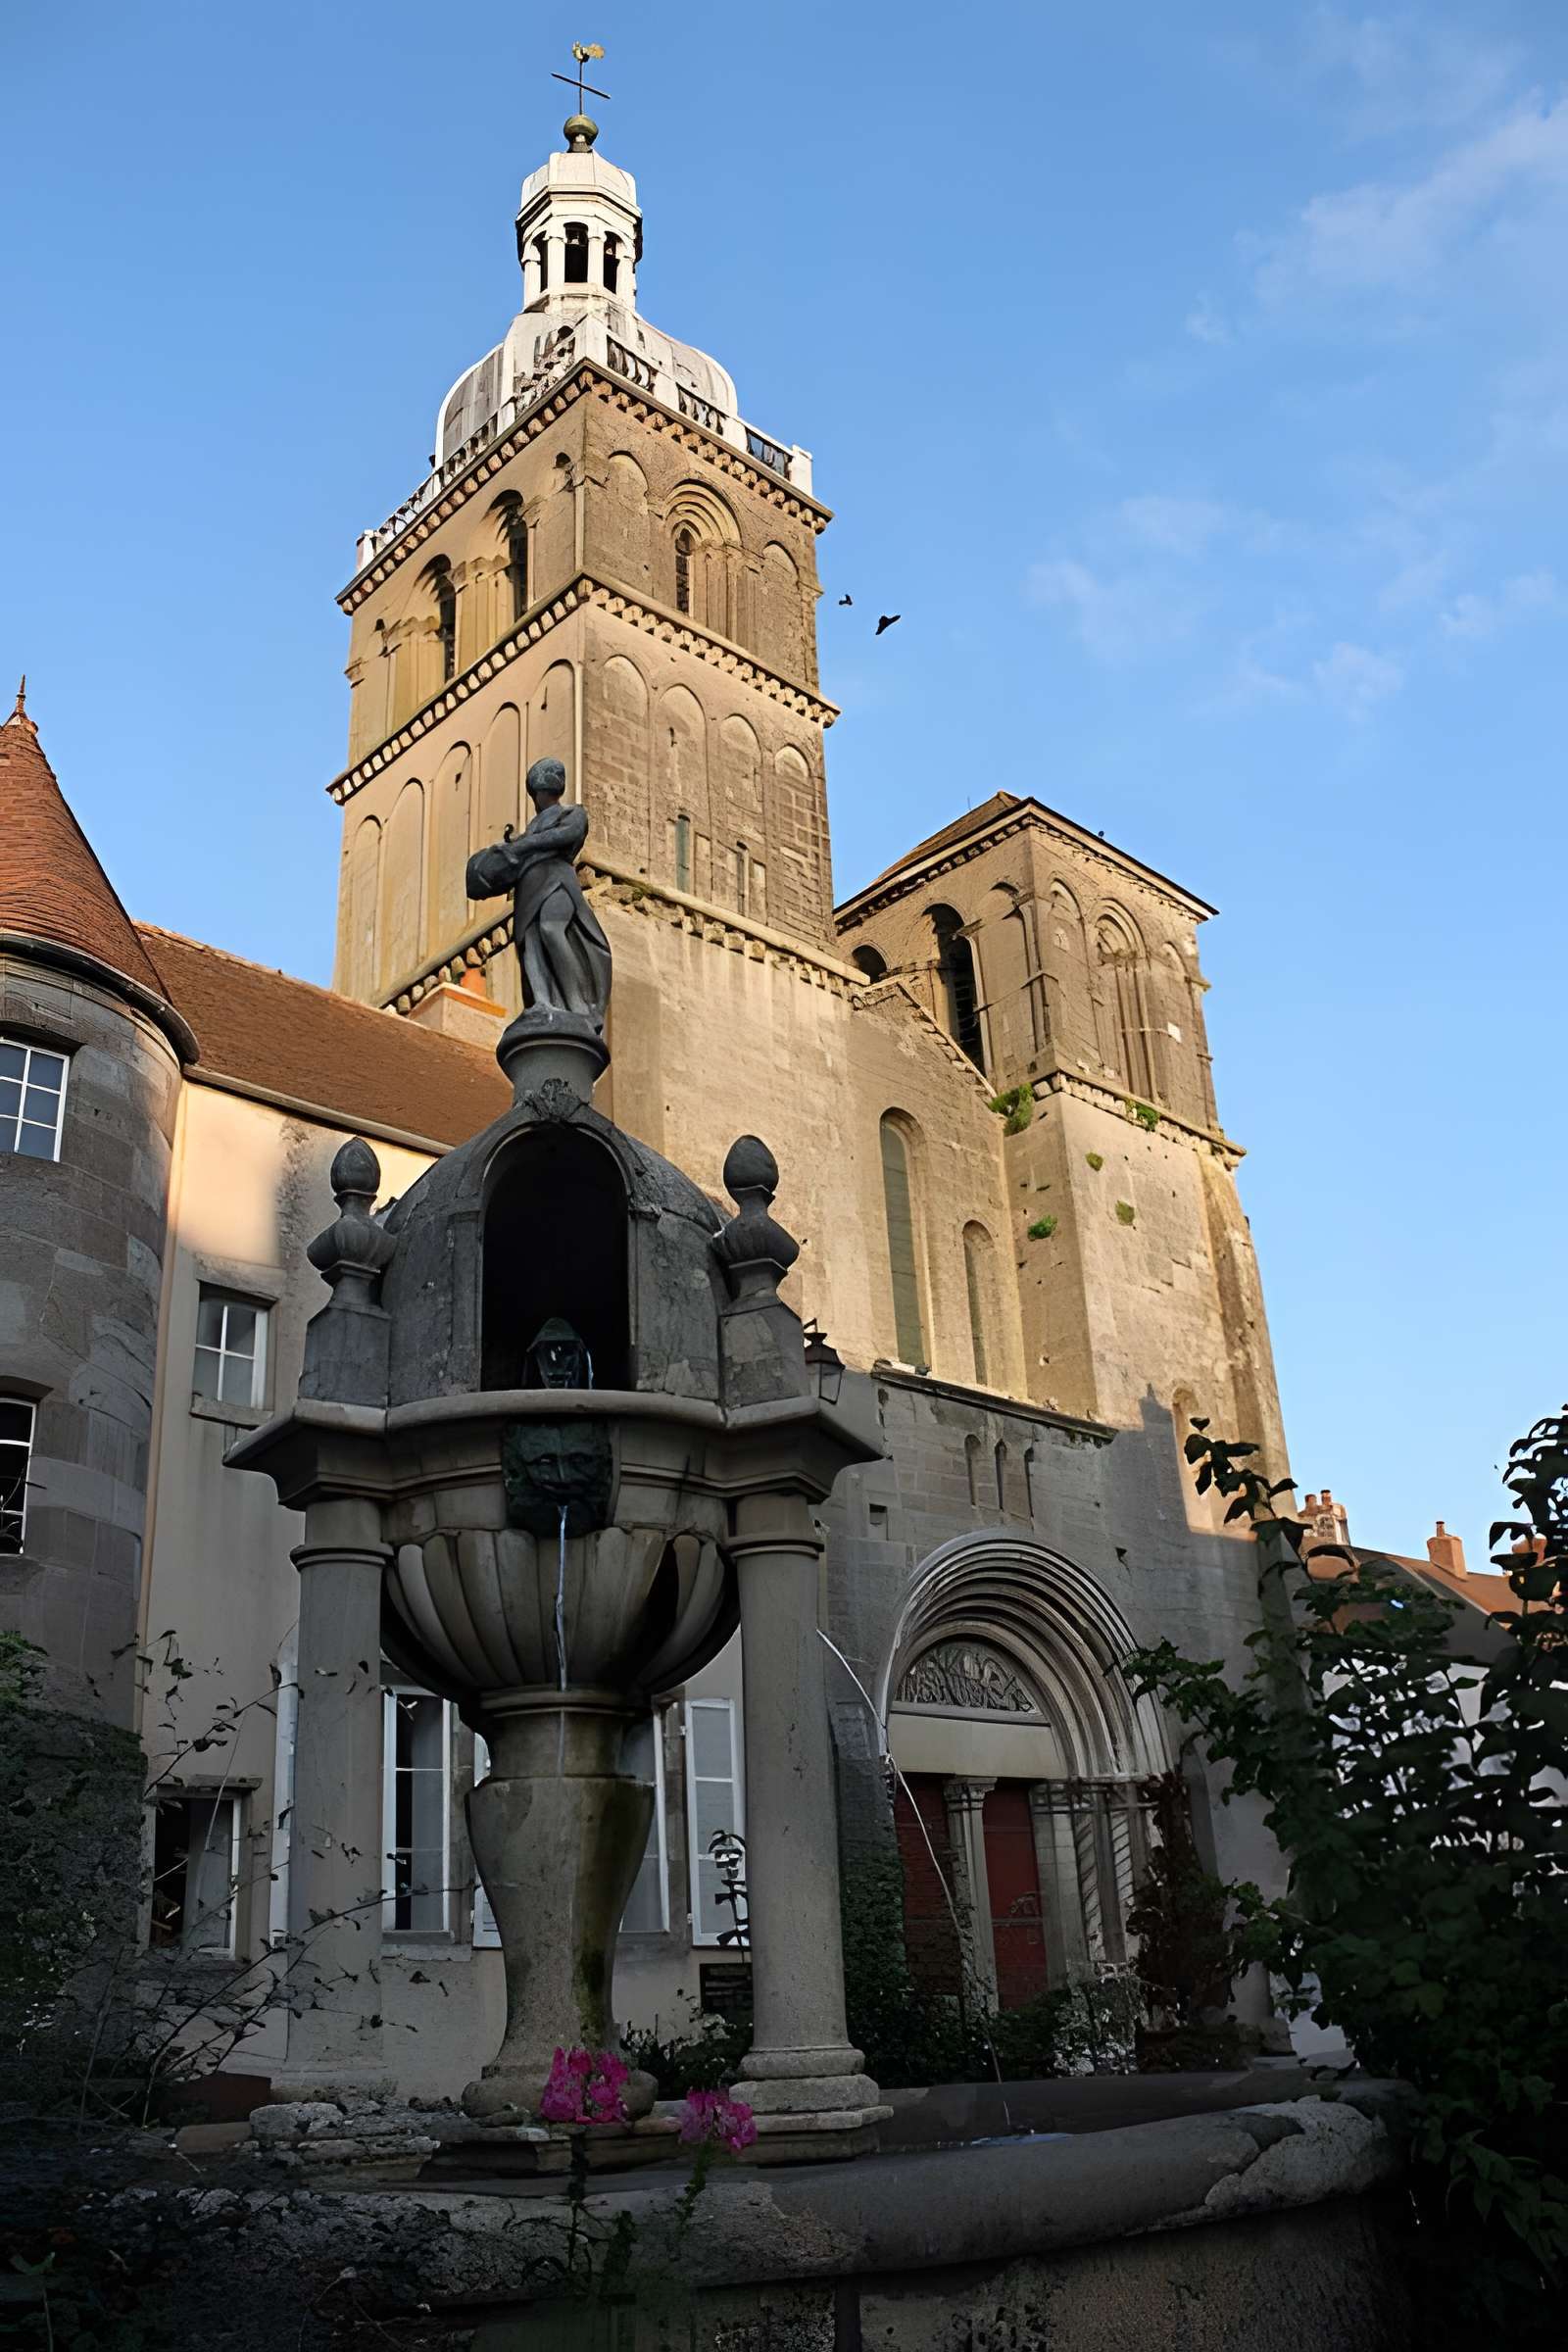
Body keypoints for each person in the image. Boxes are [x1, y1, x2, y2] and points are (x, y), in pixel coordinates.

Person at [466, 757, 612, 1028]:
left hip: (556, 877)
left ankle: (577, 1005)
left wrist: (521, 847)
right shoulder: (529, 829)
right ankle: (542, 1002)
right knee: (529, 942)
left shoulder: (572, 813)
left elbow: (566, 835)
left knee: (550, 928)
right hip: (528, 885)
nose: (543, 795)